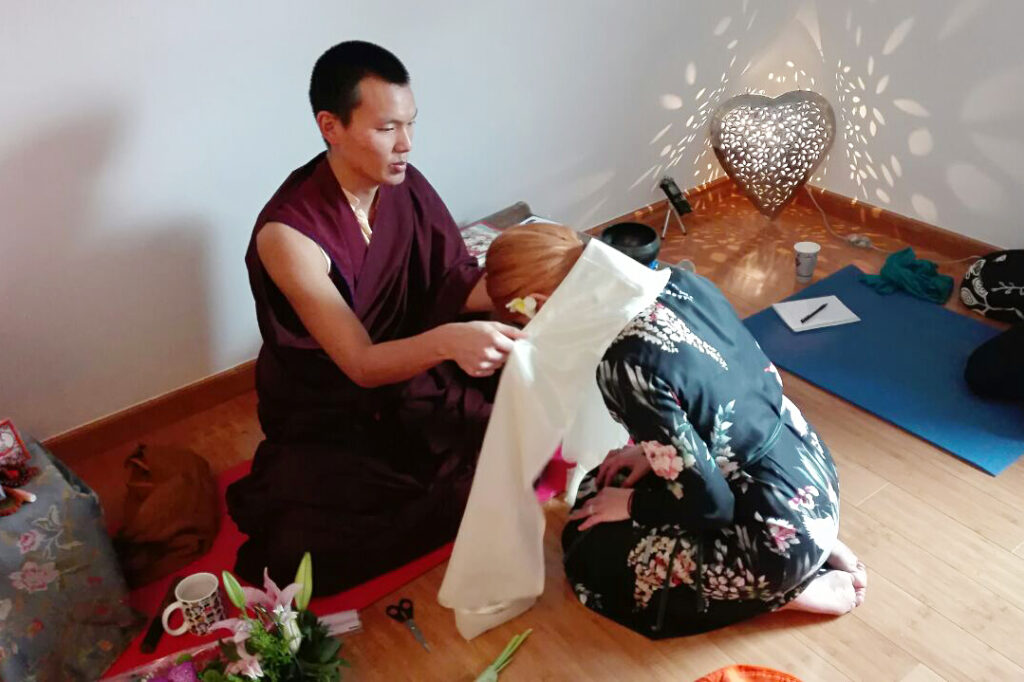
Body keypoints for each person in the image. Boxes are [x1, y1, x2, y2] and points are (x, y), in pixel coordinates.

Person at [227, 41, 524, 594]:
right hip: (333, 406)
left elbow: (450, 281)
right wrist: (449, 342)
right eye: (387, 128)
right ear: (330, 126)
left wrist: (529, 290)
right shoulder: (289, 236)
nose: (406, 145)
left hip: (413, 364)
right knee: (314, 543)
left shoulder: (401, 182)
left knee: (527, 373)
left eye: (410, 125)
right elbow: (360, 364)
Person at [484, 223, 867, 638]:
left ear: (539, 305)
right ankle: (818, 542)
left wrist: (631, 506)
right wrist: (651, 449)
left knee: (592, 553)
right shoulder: (673, 279)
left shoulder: (624, 365)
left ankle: (789, 590)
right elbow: (719, 399)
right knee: (606, 482)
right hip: (808, 469)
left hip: (772, 537)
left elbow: (712, 506)